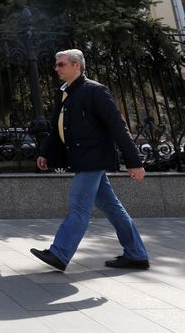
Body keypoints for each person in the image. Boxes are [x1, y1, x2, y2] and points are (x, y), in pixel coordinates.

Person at [31, 49, 149, 272]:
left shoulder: (95, 91)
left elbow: (118, 126)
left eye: (61, 64)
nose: (56, 68)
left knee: (78, 207)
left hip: (93, 158)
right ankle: (136, 254)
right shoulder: (64, 92)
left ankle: (60, 252)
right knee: (111, 206)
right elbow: (57, 128)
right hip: (82, 158)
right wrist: (45, 153)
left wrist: (134, 161)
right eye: (56, 64)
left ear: (77, 66)